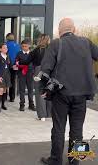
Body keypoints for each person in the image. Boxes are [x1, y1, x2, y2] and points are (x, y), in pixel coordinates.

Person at [40, 18, 98, 165]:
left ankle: (55, 160)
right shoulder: (86, 42)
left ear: (60, 31)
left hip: (61, 94)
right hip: (82, 94)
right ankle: (75, 161)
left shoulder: (56, 44)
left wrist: (44, 89)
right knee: (77, 129)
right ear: (74, 29)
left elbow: (45, 69)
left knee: (58, 128)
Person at [19, 34, 52, 121]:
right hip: (50, 71)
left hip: (38, 71)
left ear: (39, 40)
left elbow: (26, 61)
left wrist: (18, 63)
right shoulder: (51, 50)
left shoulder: (36, 50)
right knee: (49, 91)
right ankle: (49, 113)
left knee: (39, 92)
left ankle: (42, 116)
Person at [15, 39, 35, 112]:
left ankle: (31, 104)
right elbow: (16, 62)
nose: (24, 47)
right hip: (22, 73)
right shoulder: (19, 53)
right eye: (22, 46)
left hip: (30, 73)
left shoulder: (32, 53)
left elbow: (34, 63)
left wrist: (33, 71)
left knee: (30, 89)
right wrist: (18, 65)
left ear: (29, 46)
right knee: (22, 89)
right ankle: (22, 104)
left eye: (26, 46)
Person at [0, 43, 11, 112]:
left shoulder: (7, 56)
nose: (6, 49)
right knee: (1, 89)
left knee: (5, 90)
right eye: (4, 48)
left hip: (7, 74)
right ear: (0, 49)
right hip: (1, 75)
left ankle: (3, 105)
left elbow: (10, 64)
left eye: (6, 48)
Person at [6, 33, 21, 102]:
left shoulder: (6, 45)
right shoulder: (18, 46)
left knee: (5, 80)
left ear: (7, 38)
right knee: (13, 80)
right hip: (15, 65)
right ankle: (12, 97)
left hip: (7, 65)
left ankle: (4, 96)